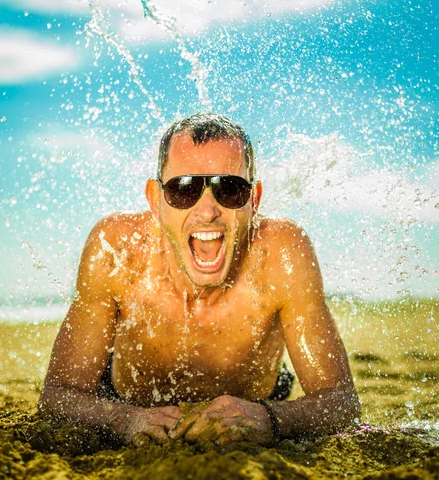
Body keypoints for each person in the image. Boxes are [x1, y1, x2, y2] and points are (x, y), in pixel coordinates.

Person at [39, 113, 360, 446]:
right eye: (184, 189)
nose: (207, 211)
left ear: (254, 199)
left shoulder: (283, 253)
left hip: (257, 402)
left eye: (230, 189)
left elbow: (341, 403)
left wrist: (270, 419)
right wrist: (125, 419)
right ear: (155, 199)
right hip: (123, 397)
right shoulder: (116, 251)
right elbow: (57, 396)